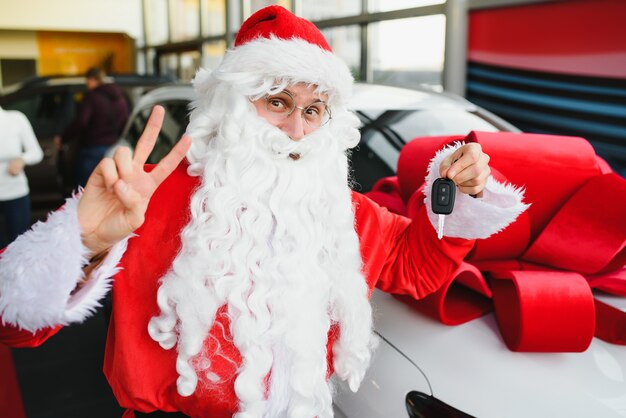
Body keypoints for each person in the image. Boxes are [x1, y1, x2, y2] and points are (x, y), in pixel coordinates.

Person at [0, 6, 528, 418]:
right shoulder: (149, 203)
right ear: (231, 105)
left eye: (314, 110)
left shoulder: (347, 215)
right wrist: (84, 238)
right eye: (277, 102)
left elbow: (418, 269)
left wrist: (460, 189)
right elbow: (13, 326)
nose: (297, 130)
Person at [54, 66, 130, 188]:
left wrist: (63, 138)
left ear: (92, 80)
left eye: (87, 81)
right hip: (114, 147)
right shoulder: (120, 97)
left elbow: (81, 122)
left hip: (92, 148)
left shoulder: (91, 97)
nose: (87, 84)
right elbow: (125, 120)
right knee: (109, 186)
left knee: (87, 187)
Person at [0, 106, 44, 247]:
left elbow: (36, 152)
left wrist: (22, 159)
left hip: (16, 193)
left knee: (19, 244)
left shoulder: (16, 119)